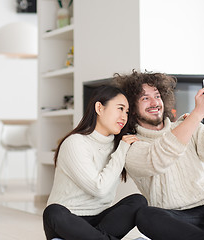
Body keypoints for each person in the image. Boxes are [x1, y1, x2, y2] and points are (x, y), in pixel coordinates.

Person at [114, 70, 204, 240]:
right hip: (175, 218)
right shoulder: (130, 144)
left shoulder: (187, 124)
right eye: (145, 98)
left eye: (157, 96)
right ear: (131, 108)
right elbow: (158, 159)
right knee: (145, 215)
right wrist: (197, 114)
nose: (154, 102)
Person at [42, 85, 148, 240]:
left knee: (138, 201)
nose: (124, 117)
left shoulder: (119, 145)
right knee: (53, 212)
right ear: (99, 108)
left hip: (101, 221)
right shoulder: (75, 143)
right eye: (120, 108)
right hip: (69, 221)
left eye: (126, 112)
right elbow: (99, 189)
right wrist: (122, 150)